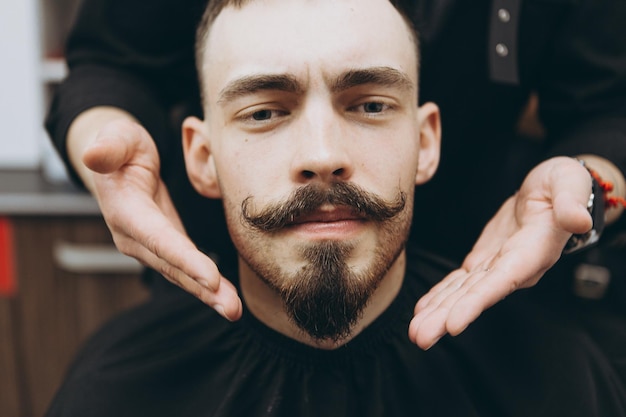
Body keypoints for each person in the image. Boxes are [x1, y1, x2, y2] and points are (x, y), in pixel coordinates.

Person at [44, 1, 626, 415]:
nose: (323, 157)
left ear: (426, 142)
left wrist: (587, 187)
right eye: (265, 112)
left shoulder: (556, 380)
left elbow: (610, 104)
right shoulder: (117, 393)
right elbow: (110, 60)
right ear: (201, 156)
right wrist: (107, 139)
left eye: (370, 105)